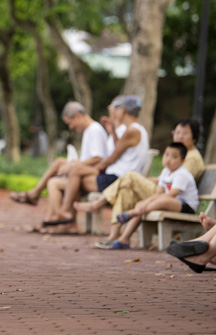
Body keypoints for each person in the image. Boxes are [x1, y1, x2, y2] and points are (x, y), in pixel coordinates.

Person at [74, 117, 205, 244]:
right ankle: (116, 236)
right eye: (176, 132)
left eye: (185, 133)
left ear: (194, 137)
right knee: (126, 190)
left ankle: (99, 203)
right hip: (164, 194)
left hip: (175, 198)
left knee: (130, 176)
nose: (179, 136)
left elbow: (174, 184)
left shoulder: (190, 157)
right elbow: (166, 179)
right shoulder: (177, 155)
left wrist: (145, 182)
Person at [47, 96, 149, 231]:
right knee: (75, 174)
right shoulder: (133, 129)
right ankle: (65, 218)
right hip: (117, 174)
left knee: (76, 174)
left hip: (118, 178)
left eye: (114, 109)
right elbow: (119, 147)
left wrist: (94, 167)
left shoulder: (132, 130)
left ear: (122, 110)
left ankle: (65, 214)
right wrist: (112, 130)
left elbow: (112, 157)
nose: (112, 112)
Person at [9, 101, 107, 209]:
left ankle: (55, 215)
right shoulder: (89, 130)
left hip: (93, 174)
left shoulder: (95, 130)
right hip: (86, 170)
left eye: (70, 123)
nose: (70, 127)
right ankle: (36, 194)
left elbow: (98, 158)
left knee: (53, 182)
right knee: (59, 162)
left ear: (78, 116)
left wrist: (72, 165)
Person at [103, 142, 198, 250]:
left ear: (182, 161)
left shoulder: (182, 174)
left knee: (162, 201)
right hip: (171, 202)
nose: (168, 159)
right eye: (166, 155)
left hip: (186, 206)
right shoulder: (166, 171)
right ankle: (124, 238)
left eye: (174, 157)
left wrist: (147, 202)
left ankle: (132, 212)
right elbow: (159, 192)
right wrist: (145, 202)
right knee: (141, 207)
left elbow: (171, 195)